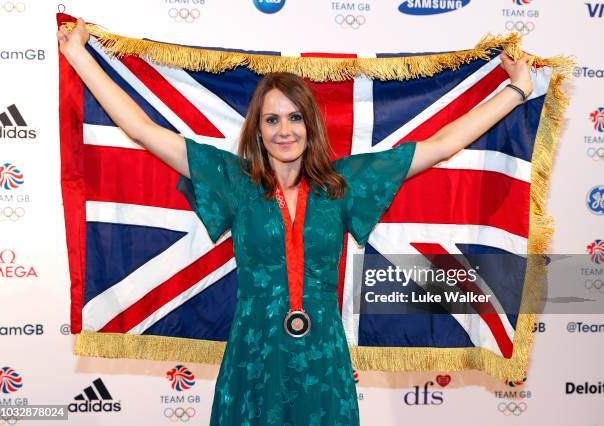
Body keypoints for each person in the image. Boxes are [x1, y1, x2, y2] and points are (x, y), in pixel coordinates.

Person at [57, 18, 533, 426]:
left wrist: (517, 91)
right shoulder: (232, 179)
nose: (284, 130)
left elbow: (443, 145)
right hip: (252, 350)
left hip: (322, 354)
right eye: (271, 120)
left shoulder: (343, 183)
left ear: (311, 125)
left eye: (295, 118)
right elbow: (142, 130)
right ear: (257, 129)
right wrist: (79, 56)